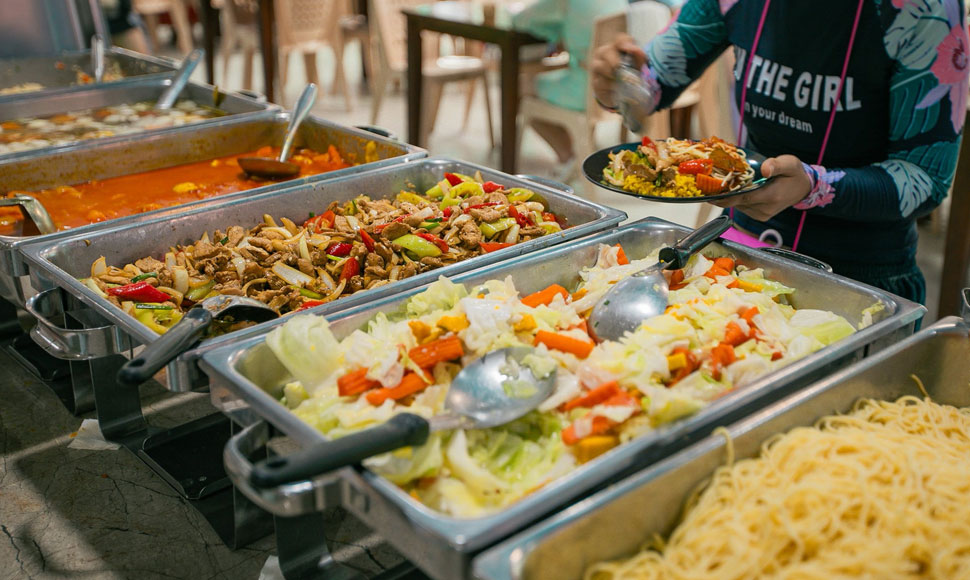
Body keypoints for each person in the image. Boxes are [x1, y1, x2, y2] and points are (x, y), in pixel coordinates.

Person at [591, 0, 970, 304]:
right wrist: (619, 83)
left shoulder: (922, 12)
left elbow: (926, 177)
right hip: (743, 252)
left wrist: (812, 186)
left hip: (861, 279)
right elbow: (652, 81)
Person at [512, 0, 629, 164]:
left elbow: (520, 20)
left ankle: (568, 156)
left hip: (585, 89)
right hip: (618, 89)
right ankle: (576, 151)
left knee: (519, 86)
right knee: (554, 76)